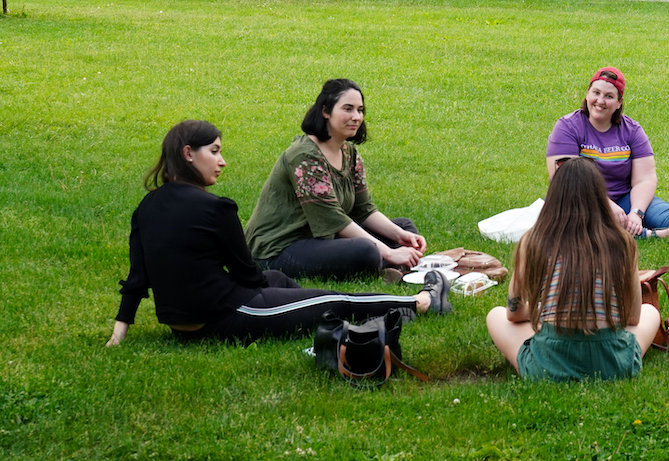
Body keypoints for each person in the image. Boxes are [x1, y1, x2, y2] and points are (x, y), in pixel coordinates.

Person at [108, 120, 451, 347]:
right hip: (226, 316)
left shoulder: (146, 207)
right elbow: (245, 273)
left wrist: (118, 333)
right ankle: (421, 302)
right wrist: (285, 300)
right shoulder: (216, 208)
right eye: (214, 151)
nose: (222, 161)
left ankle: (300, 302)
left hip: (180, 324)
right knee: (331, 301)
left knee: (280, 281)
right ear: (188, 154)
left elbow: (138, 276)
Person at [486, 157, 661, 380]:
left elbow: (514, 314)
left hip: (549, 365)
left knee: (496, 315)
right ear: (600, 196)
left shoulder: (533, 241)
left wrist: (549, 311)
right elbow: (633, 318)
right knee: (651, 312)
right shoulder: (622, 241)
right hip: (613, 364)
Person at [245, 79, 427, 280]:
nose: (356, 117)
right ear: (326, 111)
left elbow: (363, 209)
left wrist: (399, 236)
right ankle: (388, 265)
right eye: (347, 109)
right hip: (279, 248)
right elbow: (332, 220)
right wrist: (389, 251)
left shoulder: (350, 153)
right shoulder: (304, 157)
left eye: (360, 110)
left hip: (322, 239)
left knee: (405, 227)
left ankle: (388, 267)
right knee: (366, 250)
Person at [546, 66, 669, 240]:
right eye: (596, 93)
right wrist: (606, 205)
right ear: (587, 94)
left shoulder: (632, 130)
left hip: (624, 198)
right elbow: (565, 178)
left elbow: (645, 179)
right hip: (579, 199)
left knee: (666, 214)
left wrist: (636, 213)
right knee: (586, 222)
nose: (600, 101)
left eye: (609, 96)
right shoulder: (567, 127)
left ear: (619, 103)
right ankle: (653, 235)